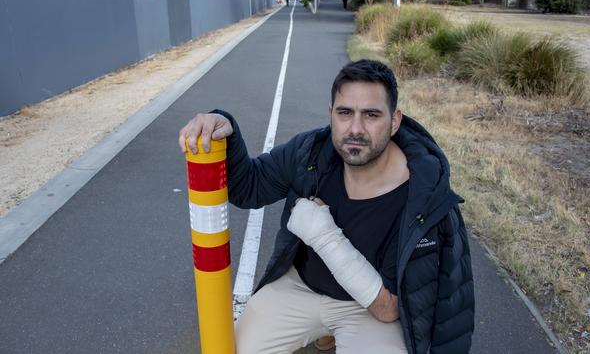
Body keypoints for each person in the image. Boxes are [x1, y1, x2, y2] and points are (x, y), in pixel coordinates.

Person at [178, 60, 474, 353]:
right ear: (331, 114)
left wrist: (321, 231)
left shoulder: (424, 198)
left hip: (366, 310)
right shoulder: (311, 153)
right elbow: (249, 188)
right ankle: (325, 333)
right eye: (345, 113)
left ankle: (334, 332)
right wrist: (225, 130)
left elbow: (388, 309)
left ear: (395, 121)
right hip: (301, 287)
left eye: (371, 114)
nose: (355, 129)